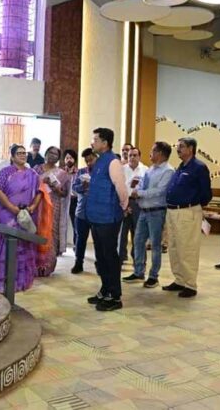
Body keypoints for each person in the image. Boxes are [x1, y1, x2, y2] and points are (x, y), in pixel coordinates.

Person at [0, 144, 43, 293]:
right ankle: (0, 283)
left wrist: (32, 207)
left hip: (25, 215)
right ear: (12, 156)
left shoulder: (33, 174)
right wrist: (13, 209)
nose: (23, 155)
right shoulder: (5, 172)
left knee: (23, 246)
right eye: (19, 153)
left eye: (24, 153)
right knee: (4, 245)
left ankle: (19, 282)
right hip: (6, 214)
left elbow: (39, 192)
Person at [86, 128, 129, 312]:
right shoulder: (99, 161)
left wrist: (124, 206)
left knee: (110, 256)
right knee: (101, 257)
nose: (92, 142)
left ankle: (115, 295)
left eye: (95, 140)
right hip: (96, 216)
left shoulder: (113, 162)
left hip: (108, 217)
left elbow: (121, 188)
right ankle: (105, 289)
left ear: (105, 143)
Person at [164, 137, 212, 298]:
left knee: (187, 249)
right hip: (172, 212)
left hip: (187, 212)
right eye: (177, 146)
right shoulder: (181, 166)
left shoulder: (199, 167)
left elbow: (206, 193)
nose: (178, 149)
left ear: (191, 149)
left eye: (181, 146)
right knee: (174, 248)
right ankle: (179, 280)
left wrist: (193, 205)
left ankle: (190, 284)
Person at [123, 142, 175, 288]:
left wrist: (139, 193)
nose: (150, 153)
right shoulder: (151, 169)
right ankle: (139, 272)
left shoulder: (168, 171)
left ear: (160, 153)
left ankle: (153, 276)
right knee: (138, 241)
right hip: (144, 211)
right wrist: (136, 190)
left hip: (156, 212)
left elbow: (160, 191)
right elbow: (141, 183)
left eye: (153, 151)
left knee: (155, 245)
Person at [34, 146, 71, 276]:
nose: (52, 155)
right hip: (38, 204)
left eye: (56, 154)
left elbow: (65, 193)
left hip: (53, 206)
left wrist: (55, 188)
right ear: (45, 154)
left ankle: (48, 265)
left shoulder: (62, 173)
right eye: (50, 153)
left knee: (51, 232)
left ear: (58, 158)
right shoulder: (37, 169)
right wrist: (42, 181)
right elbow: (31, 185)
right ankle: (35, 265)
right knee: (37, 231)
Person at [119, 147, 148, 263]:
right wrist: (124, 204)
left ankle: (139, 260)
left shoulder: (145, 170)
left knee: (138, 233)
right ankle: (120, 258)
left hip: (139, 203)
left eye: (135, 155)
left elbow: (148, 187)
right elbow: (119, 187)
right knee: (122, 233)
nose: (132, 157)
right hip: (124, 202)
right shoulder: (122, 169)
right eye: (130, 155)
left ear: (139, 157)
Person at [71, 148, 97, 274]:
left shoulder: (102, 172)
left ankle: (100, 264)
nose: (89, 163)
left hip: (97, 213)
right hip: (81, 212)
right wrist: (83, 186)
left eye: (91, 160)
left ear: (96, 158)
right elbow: (74, 187)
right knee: (80, 239)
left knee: (98, 240)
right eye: (87, 161)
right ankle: (78, 263)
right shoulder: (81, 172)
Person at [62, 149, 79, 249]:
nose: (69, 160)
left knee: (75, 223)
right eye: (67, 158)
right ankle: (61, 245)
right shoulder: (60, 172)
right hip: (62, 199)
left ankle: (76, 245)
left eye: (71, 158)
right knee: (61, 222)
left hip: (74, 200)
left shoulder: (79, 172)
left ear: (75, 160)